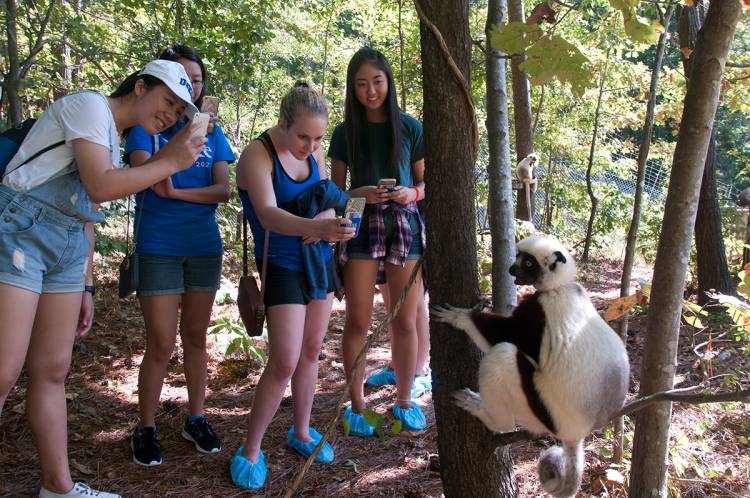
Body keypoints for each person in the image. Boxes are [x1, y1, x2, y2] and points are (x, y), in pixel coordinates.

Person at [0, 60, 204, 498]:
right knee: (3, 369)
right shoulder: (90, 106)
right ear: (140, 85)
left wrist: (87, 284)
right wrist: (170, 162)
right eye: (167, 101)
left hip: (68, 247)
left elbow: (86, 215)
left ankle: (58, 487)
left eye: (179, 111)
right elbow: (100, 186)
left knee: (53, 370)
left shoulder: (115, 139)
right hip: (22, 229)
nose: (169, 115)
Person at [229, 82, 354, 491]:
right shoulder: (257, 155)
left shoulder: (314, 152)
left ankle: (301, 430)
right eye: (303, 136)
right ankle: (251, 447)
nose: (310, 145)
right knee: (283, 359)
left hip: (317, 262)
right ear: (283, 124)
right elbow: (266, 214)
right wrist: (315, 227)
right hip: (282, 264)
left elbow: (328, 195)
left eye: (318, 138)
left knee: (312, 351)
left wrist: (334, 220)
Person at [123, 45, 234, 467]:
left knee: (195, 338)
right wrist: (180, 152)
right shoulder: (146, 127)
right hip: (159, 245)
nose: (190, 88)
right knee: (159, 341)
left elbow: (222, 190)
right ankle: (146, 425)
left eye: (197, 80)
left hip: (203, 245)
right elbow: (146, 178)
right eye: (181, 80)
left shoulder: (213, 134)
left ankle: (196, 417)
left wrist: (179, 191)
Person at [329, 47, 427, 436]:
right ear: (353, 89)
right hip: (360, 228)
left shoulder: (409, 127)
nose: (371, 91)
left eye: (377, 82)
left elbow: (424, 182)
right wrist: (361, 192)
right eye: (362, 84)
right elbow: (333, 192)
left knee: (405, 319)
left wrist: (410, 194)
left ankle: (404, 399)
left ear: (389, 82)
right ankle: (356, 405)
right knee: (358, 320)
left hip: (404, 226)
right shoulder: (343, 133)